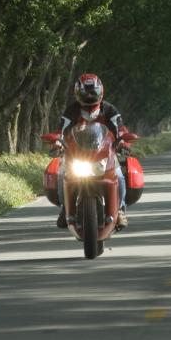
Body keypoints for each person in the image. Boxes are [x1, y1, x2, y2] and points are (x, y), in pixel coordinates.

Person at [55, 72, 129, 230]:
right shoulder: (72, 110)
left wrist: (123, 141)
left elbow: (120, 128)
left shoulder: (109, 109)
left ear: (100, 91)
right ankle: (65, 209)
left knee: (119, 176)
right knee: (62, 175)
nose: (89, 96)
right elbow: (61, 129)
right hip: (77, 154)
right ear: (78, 92)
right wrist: (57, 142)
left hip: (105, 153)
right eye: (86, 93)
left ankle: (120, 209)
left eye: (93, 92)